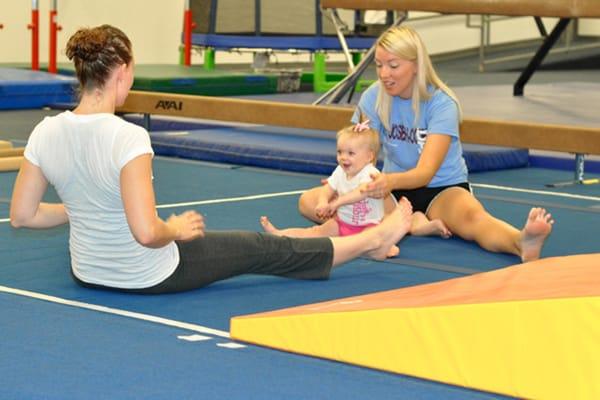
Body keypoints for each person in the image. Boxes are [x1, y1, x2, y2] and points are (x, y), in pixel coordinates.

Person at [9, 24, 415, 294]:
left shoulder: (46, 131)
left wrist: (81, 206)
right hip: (147, 274)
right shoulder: (128, 136)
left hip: (89, 274)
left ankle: (365, 240)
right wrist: (175, 227)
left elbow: (23, 216)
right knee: (262, 249)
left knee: (257, 245)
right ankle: (371, 238)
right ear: (122, 72)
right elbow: (147, 234)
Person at [298, 26, 554, 263]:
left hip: (440, 189)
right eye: (379, 66)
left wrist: (387, 183)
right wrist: (349, 177)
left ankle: (521, 243)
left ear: (416, 65)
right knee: (309, 202)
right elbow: (361, 149)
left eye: (393, 65)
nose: (384, 74)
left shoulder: (442, 104)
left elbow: (425, 173)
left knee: (472, 219)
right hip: (390, 190)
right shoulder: (373, 97)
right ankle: (409, 223)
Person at [261, 123, 450, 258]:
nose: (343, 158)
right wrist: (322, 201)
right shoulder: (340, 170)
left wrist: (336, 203)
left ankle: (423, 226)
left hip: (370, 226)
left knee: (386, 245)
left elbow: (360, 193)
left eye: (350, 153)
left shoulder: (370, 173)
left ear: (369, 157)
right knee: (315, 232)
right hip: (343, 224)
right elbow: (329, 187)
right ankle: (280, 234)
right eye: (339, 152)